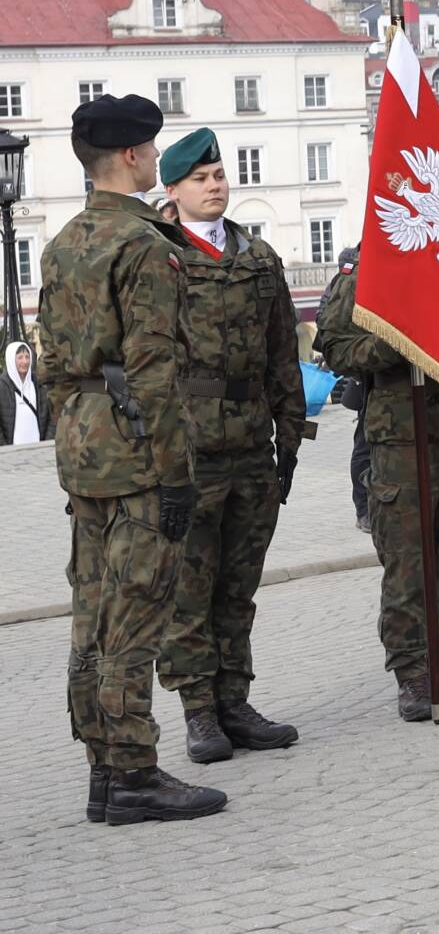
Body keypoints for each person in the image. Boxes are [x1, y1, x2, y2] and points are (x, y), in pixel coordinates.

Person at [41, 92, 229, 822]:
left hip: (86, 450)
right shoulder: (146, 245)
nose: (154, 158)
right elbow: (154, 373)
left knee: (92, 617)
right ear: (129, 155)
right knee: (134, 620)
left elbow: (54, 366)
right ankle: (134, 775)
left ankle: (102, 772)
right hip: (141, 452)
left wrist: (77, 441)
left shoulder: (64, 242)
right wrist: (176, 476)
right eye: (150, 149)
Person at [152, 128, 309, 764]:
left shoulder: (258, 257)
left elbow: (283, 354)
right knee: (190, 588)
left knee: (238, 585)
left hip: (250, 446)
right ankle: (198, 711)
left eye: (218, 175)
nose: (214, 186)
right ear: (173, 190)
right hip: (190, 449)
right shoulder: (158, 255)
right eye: (200, 179)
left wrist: (289, 438)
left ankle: (234, 702)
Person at [314, 245, 439, 723]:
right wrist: (399, 342)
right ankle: (413, 674)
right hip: (401, 436)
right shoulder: (370, 268)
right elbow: (336, 347)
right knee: (408, 561)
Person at [6, 339, 41, 445]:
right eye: (20, 357)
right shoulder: (3, 386)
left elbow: (48, 416)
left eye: (27, 357)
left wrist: (46, 441)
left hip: (39, 448)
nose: (25, 362)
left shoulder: (38, 383)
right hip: (11, 451)